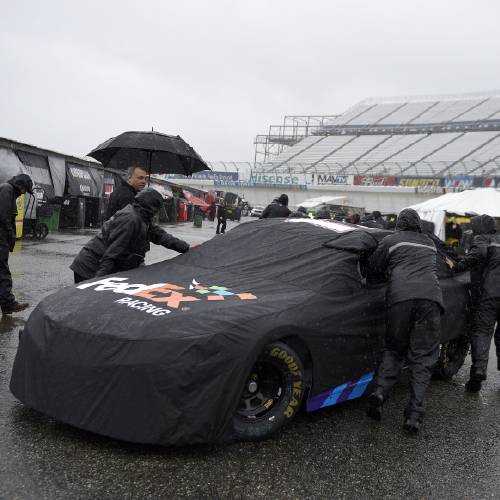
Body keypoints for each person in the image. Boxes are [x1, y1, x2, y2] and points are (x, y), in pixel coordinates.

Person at [366, 208, 443, 433]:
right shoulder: (429, 242)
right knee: (423, 358)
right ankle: (414, 416)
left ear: (399, 223)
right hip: (430, 299)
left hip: (400, 299)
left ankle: (380, 393)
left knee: (394, 349)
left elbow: (373, 268)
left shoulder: (391, 241)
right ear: (418, 224)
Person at [71, 188, 189, 283]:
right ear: (151, 208)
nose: (158, 212)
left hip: (102, 266)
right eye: (157, 209)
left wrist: (185, 247)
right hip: (89, 268)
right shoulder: (130, 219)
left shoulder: (143, 218)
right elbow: (112, 253)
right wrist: (96, 282)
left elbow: (161, 236)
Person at [449, 214, 500, 391]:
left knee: (482, 332)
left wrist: (456, 266)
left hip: (490, 294)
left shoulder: (482, 239)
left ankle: (478, 371)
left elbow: (478, 254)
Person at [0, 174, 33, 314]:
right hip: (0, 237)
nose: (23, 194)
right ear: (20, 186)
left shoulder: (7, 189)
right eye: (24, 190)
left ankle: (7, 303)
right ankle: (8, 304)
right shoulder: (7, 190)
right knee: (3, 270)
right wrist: (10, 233)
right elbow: (3, 216)